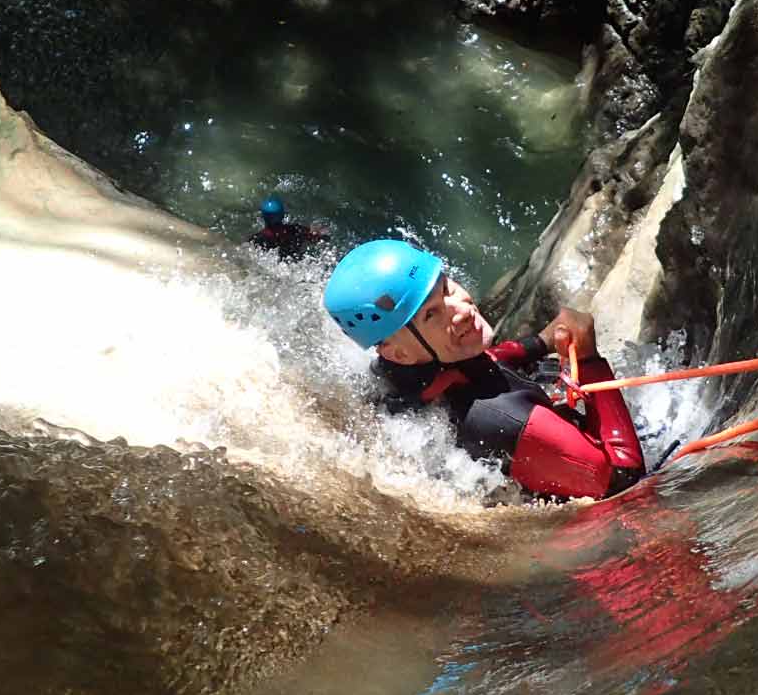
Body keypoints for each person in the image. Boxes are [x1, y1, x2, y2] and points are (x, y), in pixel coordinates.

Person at [323, 239, 644, 500]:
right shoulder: (499, 417)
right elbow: (624, 483)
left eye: (447, 289)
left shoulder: (406, 368)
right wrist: (588, 358)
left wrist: (542, 341)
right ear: (399, 353)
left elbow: (479, 361)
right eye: (431, 315)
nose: (460, 310)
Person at [247, 196, 326, 258]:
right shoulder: (295, 230)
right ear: (282, 215)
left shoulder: (257, 238)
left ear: (264, 217)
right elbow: (316, 237)